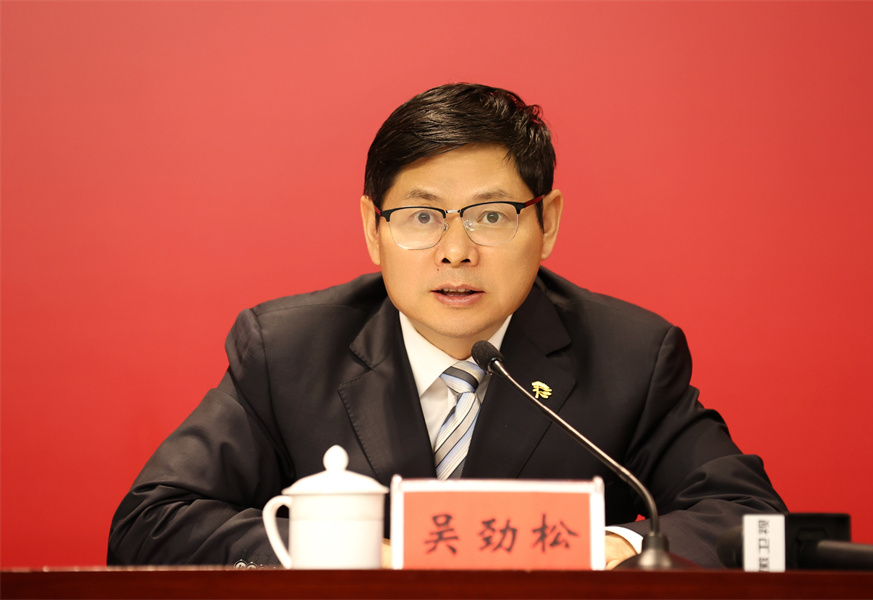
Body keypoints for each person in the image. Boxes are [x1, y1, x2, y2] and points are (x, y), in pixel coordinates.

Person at [108, 83, 786, 569]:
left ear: (547, 222)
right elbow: (150, 522)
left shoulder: (630, 355)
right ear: (373, 229)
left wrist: (616, 547)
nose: (456, 251)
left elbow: (750, 518)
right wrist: (345, 553)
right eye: (421, 217)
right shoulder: (288, 350)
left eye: (491, 215)